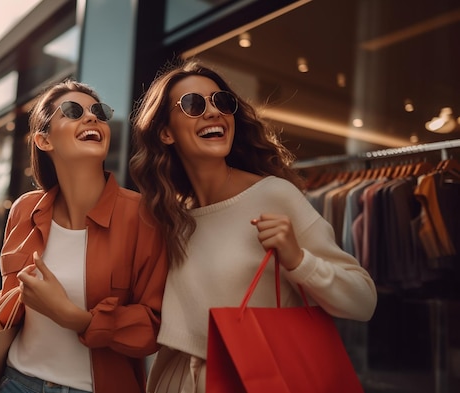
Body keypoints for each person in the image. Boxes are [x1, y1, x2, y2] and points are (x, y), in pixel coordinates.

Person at [128, 60, 378, 393]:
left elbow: (363, 301)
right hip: (175, 381)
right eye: (193, 105)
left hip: (251, 379)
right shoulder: (168, 217)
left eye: (222, 102)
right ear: (165, 132)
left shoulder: (273, 195)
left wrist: (298, 260)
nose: (214, 112)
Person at [0, 79, 168, 393]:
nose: (92, 117)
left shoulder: (142, 216)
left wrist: (75, 318)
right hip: (15, 382)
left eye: (98, 111)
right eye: (73, 111)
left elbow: (153, 325)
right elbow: (11, 301)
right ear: (44, 140)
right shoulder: (24, 210)